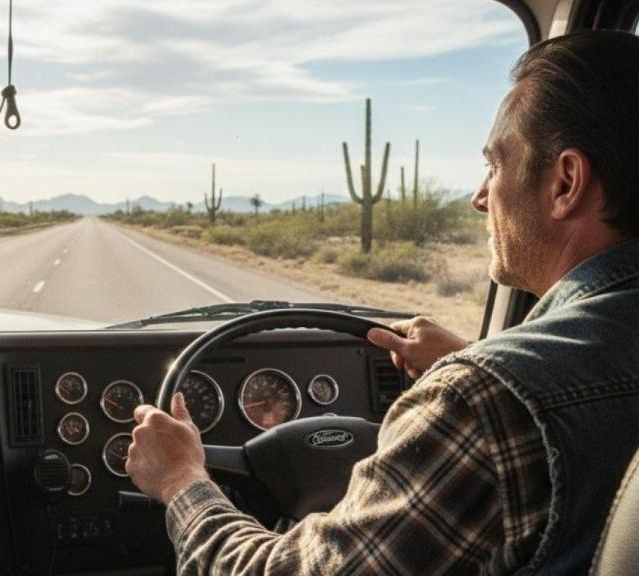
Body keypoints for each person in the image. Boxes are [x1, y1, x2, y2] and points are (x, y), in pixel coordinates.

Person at [126, 31, 639, 575]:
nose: (479, 197)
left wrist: (182, 479)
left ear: (566, 183)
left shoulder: (481, 402)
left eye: (494, 164)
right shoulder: (499, 392)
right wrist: (470, 360)